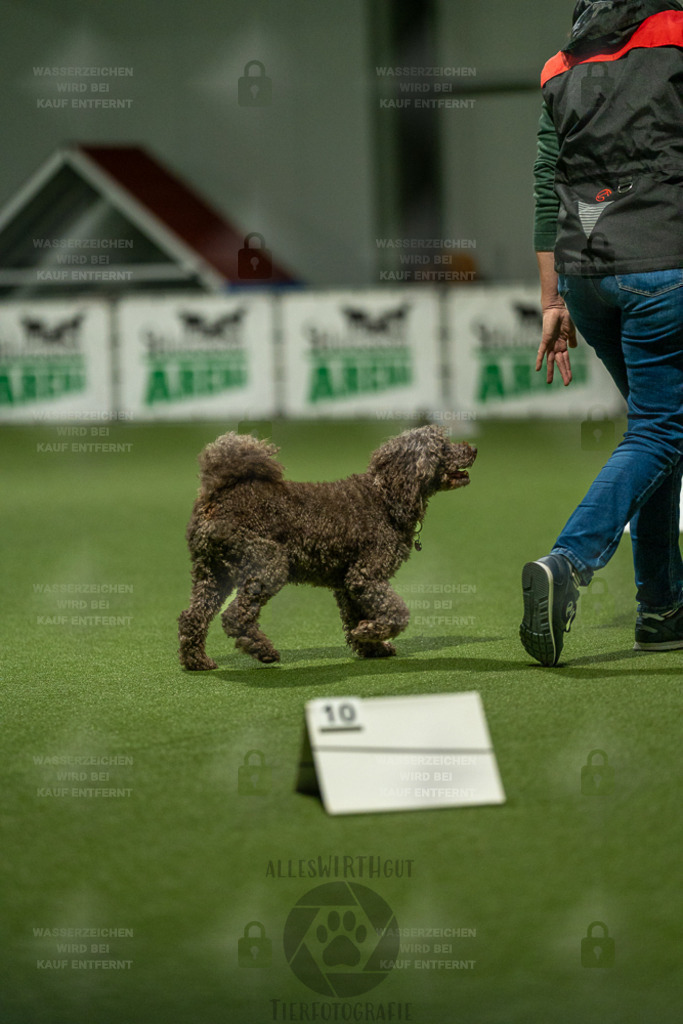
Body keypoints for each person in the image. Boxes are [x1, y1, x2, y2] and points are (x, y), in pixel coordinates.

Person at [520, 0, 683, 666]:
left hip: (587, 277)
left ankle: (660, 608)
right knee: (661, 430)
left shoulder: (558, 66)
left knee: (655, 429)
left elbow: (543, 186)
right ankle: (569, 559)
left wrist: (550, 297)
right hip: (663, 262)